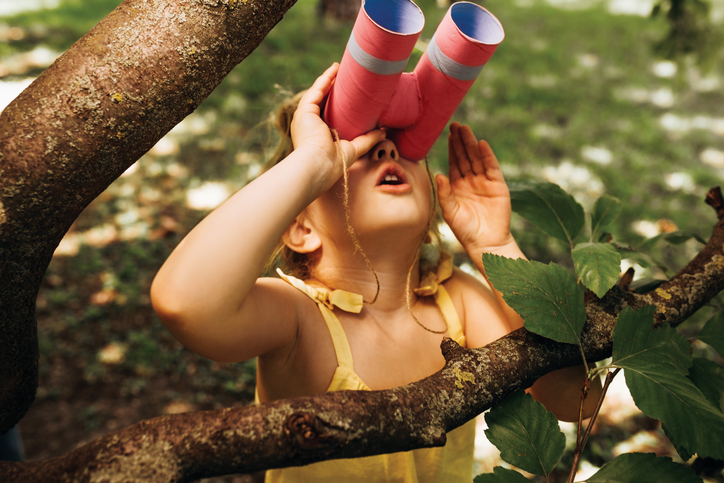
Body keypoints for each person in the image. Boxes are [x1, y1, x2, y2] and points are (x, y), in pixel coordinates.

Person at [151, 63, 600, 482]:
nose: (385, 147)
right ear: (300, 227)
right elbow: (185, 303)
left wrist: (493, 246)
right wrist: (312, 162)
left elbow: (576, 396)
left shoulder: (458, 301)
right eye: (351, 150)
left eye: (403, 145)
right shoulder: (299, 320)